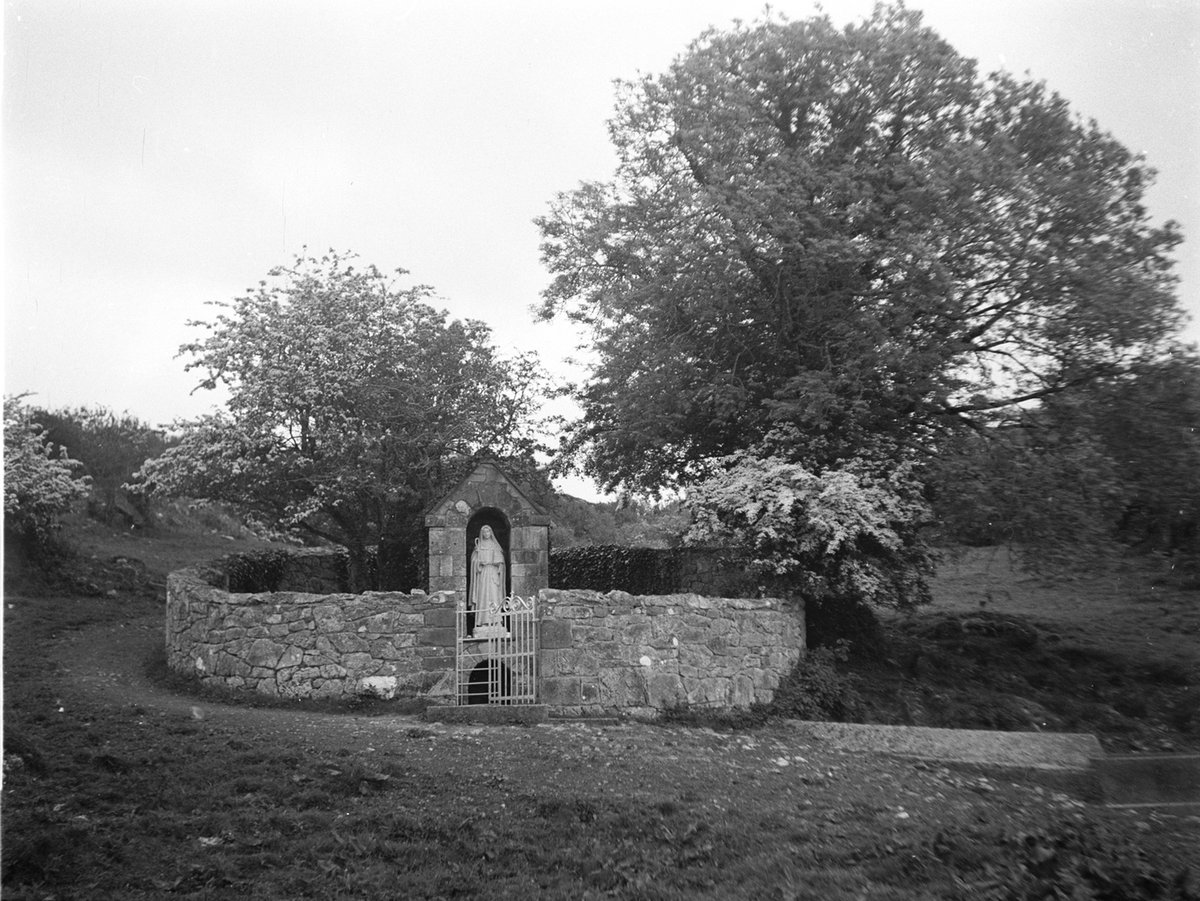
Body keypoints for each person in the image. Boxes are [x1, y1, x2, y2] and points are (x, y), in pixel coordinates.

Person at [469, 525, 506, 633]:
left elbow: (501, 562)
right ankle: (482, 622)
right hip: (483, 573)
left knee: (494, 595)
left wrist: (498, 564)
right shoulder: (478, 546)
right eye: (484, 532)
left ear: (491, 533)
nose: (486, 534)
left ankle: (496, 621)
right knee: (483, 596)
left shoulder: (495, 546)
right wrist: (478, 562)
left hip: (493, 573)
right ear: (482, 533)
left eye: (488, 531)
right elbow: (474, 561)